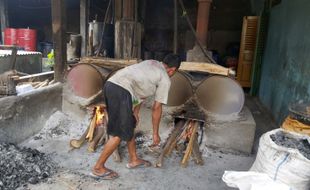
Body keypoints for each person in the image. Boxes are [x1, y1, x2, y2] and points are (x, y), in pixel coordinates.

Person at [92, 54, 181, 179]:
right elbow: (157, 108)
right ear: (173, 70)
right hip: (122, 91)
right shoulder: (165, 78)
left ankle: (134, 159)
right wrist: (155, 133)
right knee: (119, 133)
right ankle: (98, 168)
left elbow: (140, 92)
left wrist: (135, 112)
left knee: (129, 125)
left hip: (111, 85)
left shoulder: (151, 62)